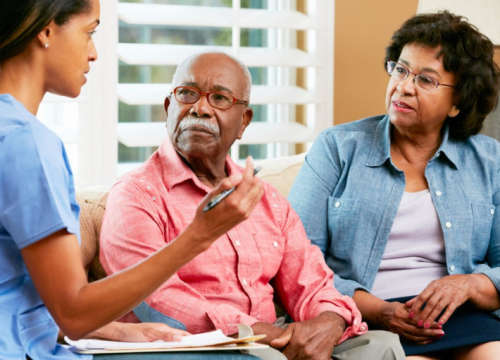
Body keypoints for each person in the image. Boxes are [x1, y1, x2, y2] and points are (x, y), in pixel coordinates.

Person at [0, 1, 265, 359]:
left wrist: (119, 330)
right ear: (46, 30)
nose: (93, 53)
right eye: (89, 32)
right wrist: (199, 235)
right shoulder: (27, 143)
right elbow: (74, 312)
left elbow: (23, 295)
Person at [99, 51, 405, 360]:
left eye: (220, 98)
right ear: (169, 107)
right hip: (189, 344)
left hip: (270, 339)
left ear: (243, 121)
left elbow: (311, 280)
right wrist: (265, 333)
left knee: (380, 346)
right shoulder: (136, 194)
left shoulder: (267, 199)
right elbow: (158, 300)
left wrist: (330, 321)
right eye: (187, 94)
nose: (200, 108)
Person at [288, 11, 500, 360]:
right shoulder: (338, 147)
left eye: (426, 80)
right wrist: (378, 310)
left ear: (458, 102)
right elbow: (297, 260)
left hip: (459, 317)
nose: (403, 86)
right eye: (401, 69)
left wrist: (469, 284)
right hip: (368, 319)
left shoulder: (489, 161)